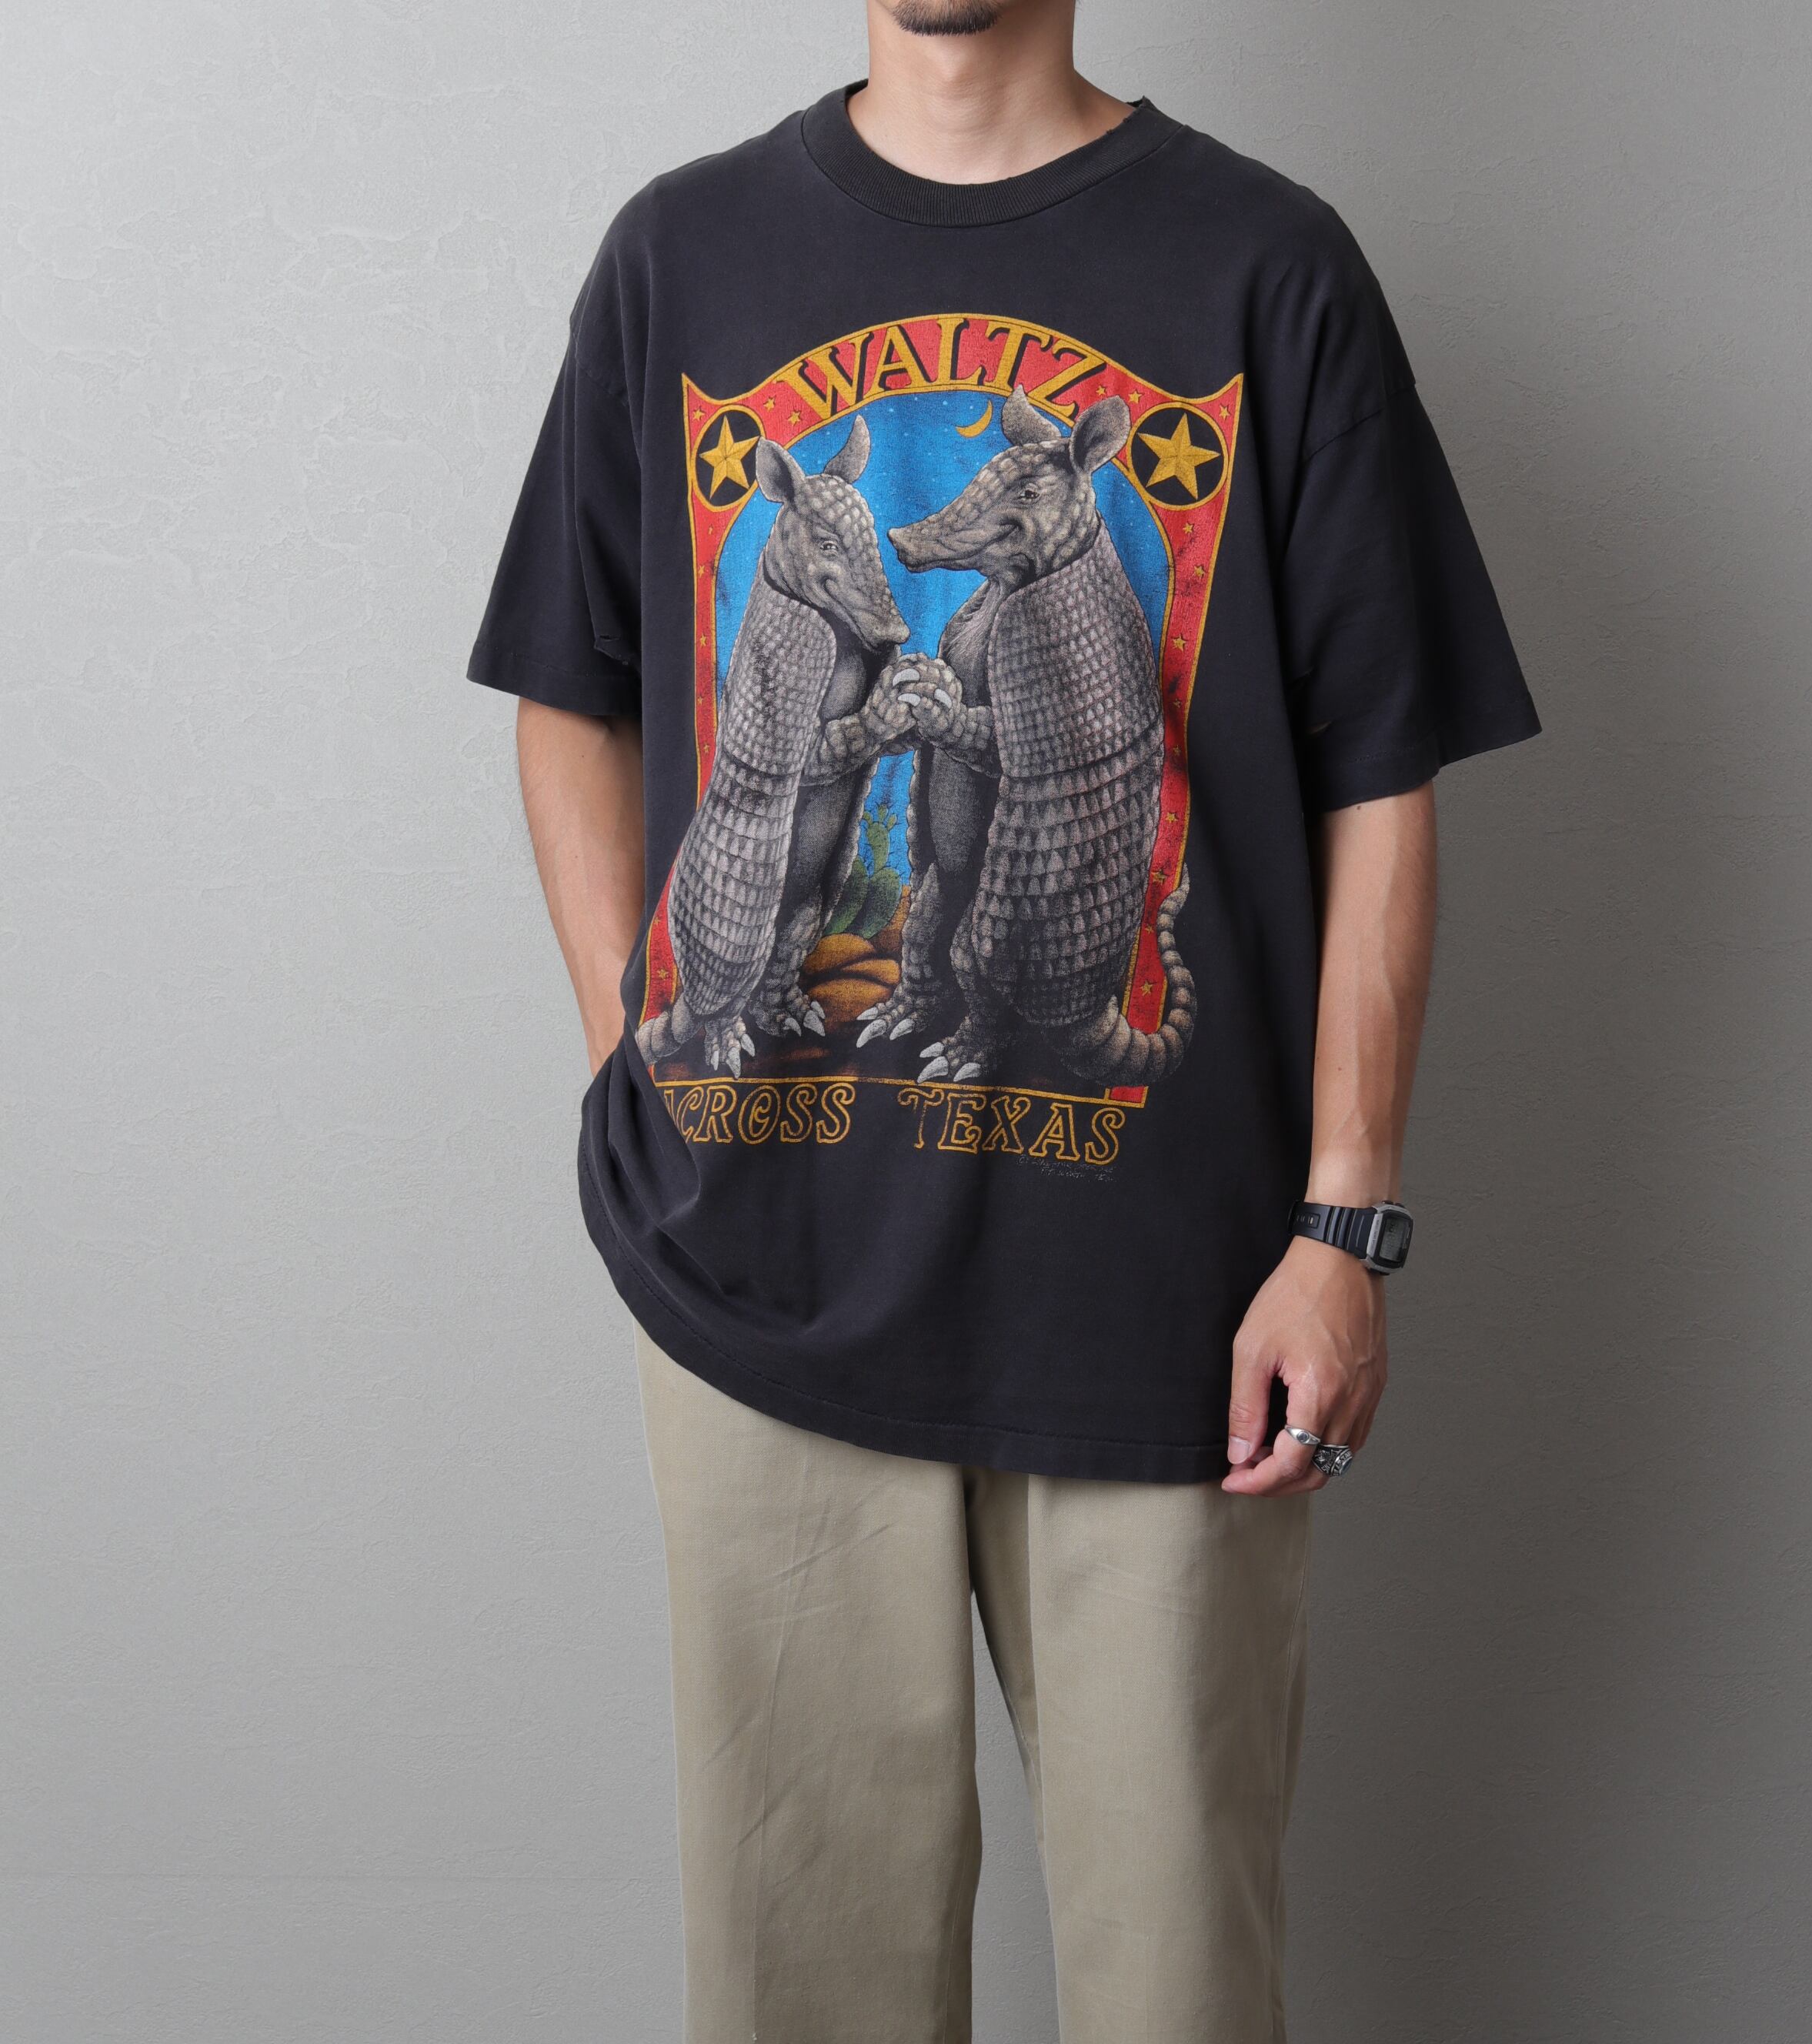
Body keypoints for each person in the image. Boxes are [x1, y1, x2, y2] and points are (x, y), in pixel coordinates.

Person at [467, 1, 1539, 2035]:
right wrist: (641, 1056)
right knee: (802, 1989)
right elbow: (567, 692)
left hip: (1175, 1295)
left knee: (1178, 1983)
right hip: (767, 1267)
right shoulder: (683, 256)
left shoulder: (1266, 264)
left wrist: (1345, 1223)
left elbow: (1378, 783)